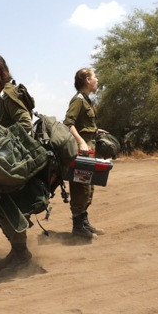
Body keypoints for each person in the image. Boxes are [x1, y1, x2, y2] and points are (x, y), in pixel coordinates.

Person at [0, 53, 42, 265]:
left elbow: (25, 124)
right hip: (0, 164)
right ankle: (19, 250)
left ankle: (21, 254)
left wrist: (5, 144)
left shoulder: (8, 93)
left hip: (10, 163)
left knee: (5, 207)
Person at [65, 67, 102, 239]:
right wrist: (81, 142)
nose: (97, 80)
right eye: (95, 77)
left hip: (90, 147)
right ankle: (78, 227)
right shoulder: (79, 100)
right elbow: (68, 124)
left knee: (88, 187)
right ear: (87, 79)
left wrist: (95, 130)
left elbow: (83, 125)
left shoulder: (87, 100)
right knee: (81, 187)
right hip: (82, 150)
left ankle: (84, 222)